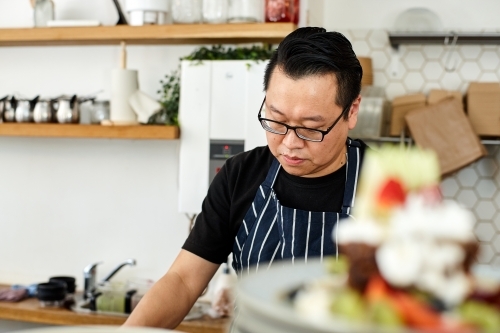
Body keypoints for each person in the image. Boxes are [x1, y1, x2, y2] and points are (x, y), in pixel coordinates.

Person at [124, 26, 367, 329]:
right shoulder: (240, 175)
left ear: (352, 111)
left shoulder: (389, 188)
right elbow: (184, 281)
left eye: (310, 128)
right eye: (276, 121)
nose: (289, 143)